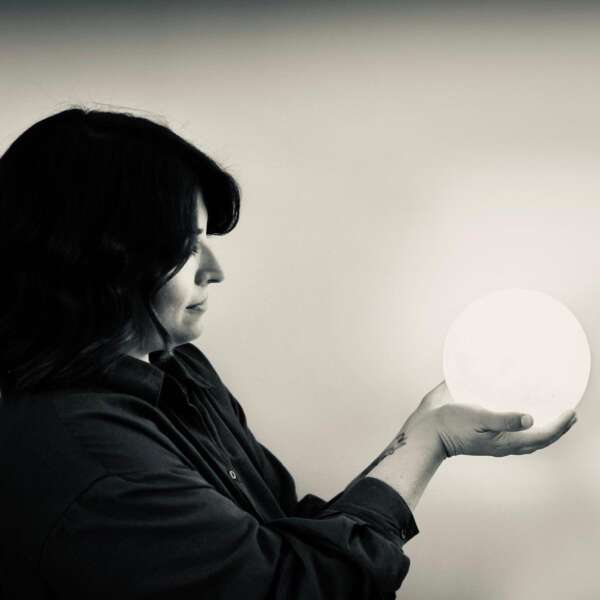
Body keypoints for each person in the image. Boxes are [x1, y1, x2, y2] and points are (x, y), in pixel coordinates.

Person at [0, 108, 576, 600]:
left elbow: (287, 533)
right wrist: (427, 443)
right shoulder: (91, 460)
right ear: (100, 259)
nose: (214, 271)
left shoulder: (178, 370)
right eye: (184, 247)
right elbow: (296, 586)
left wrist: (424, 434)